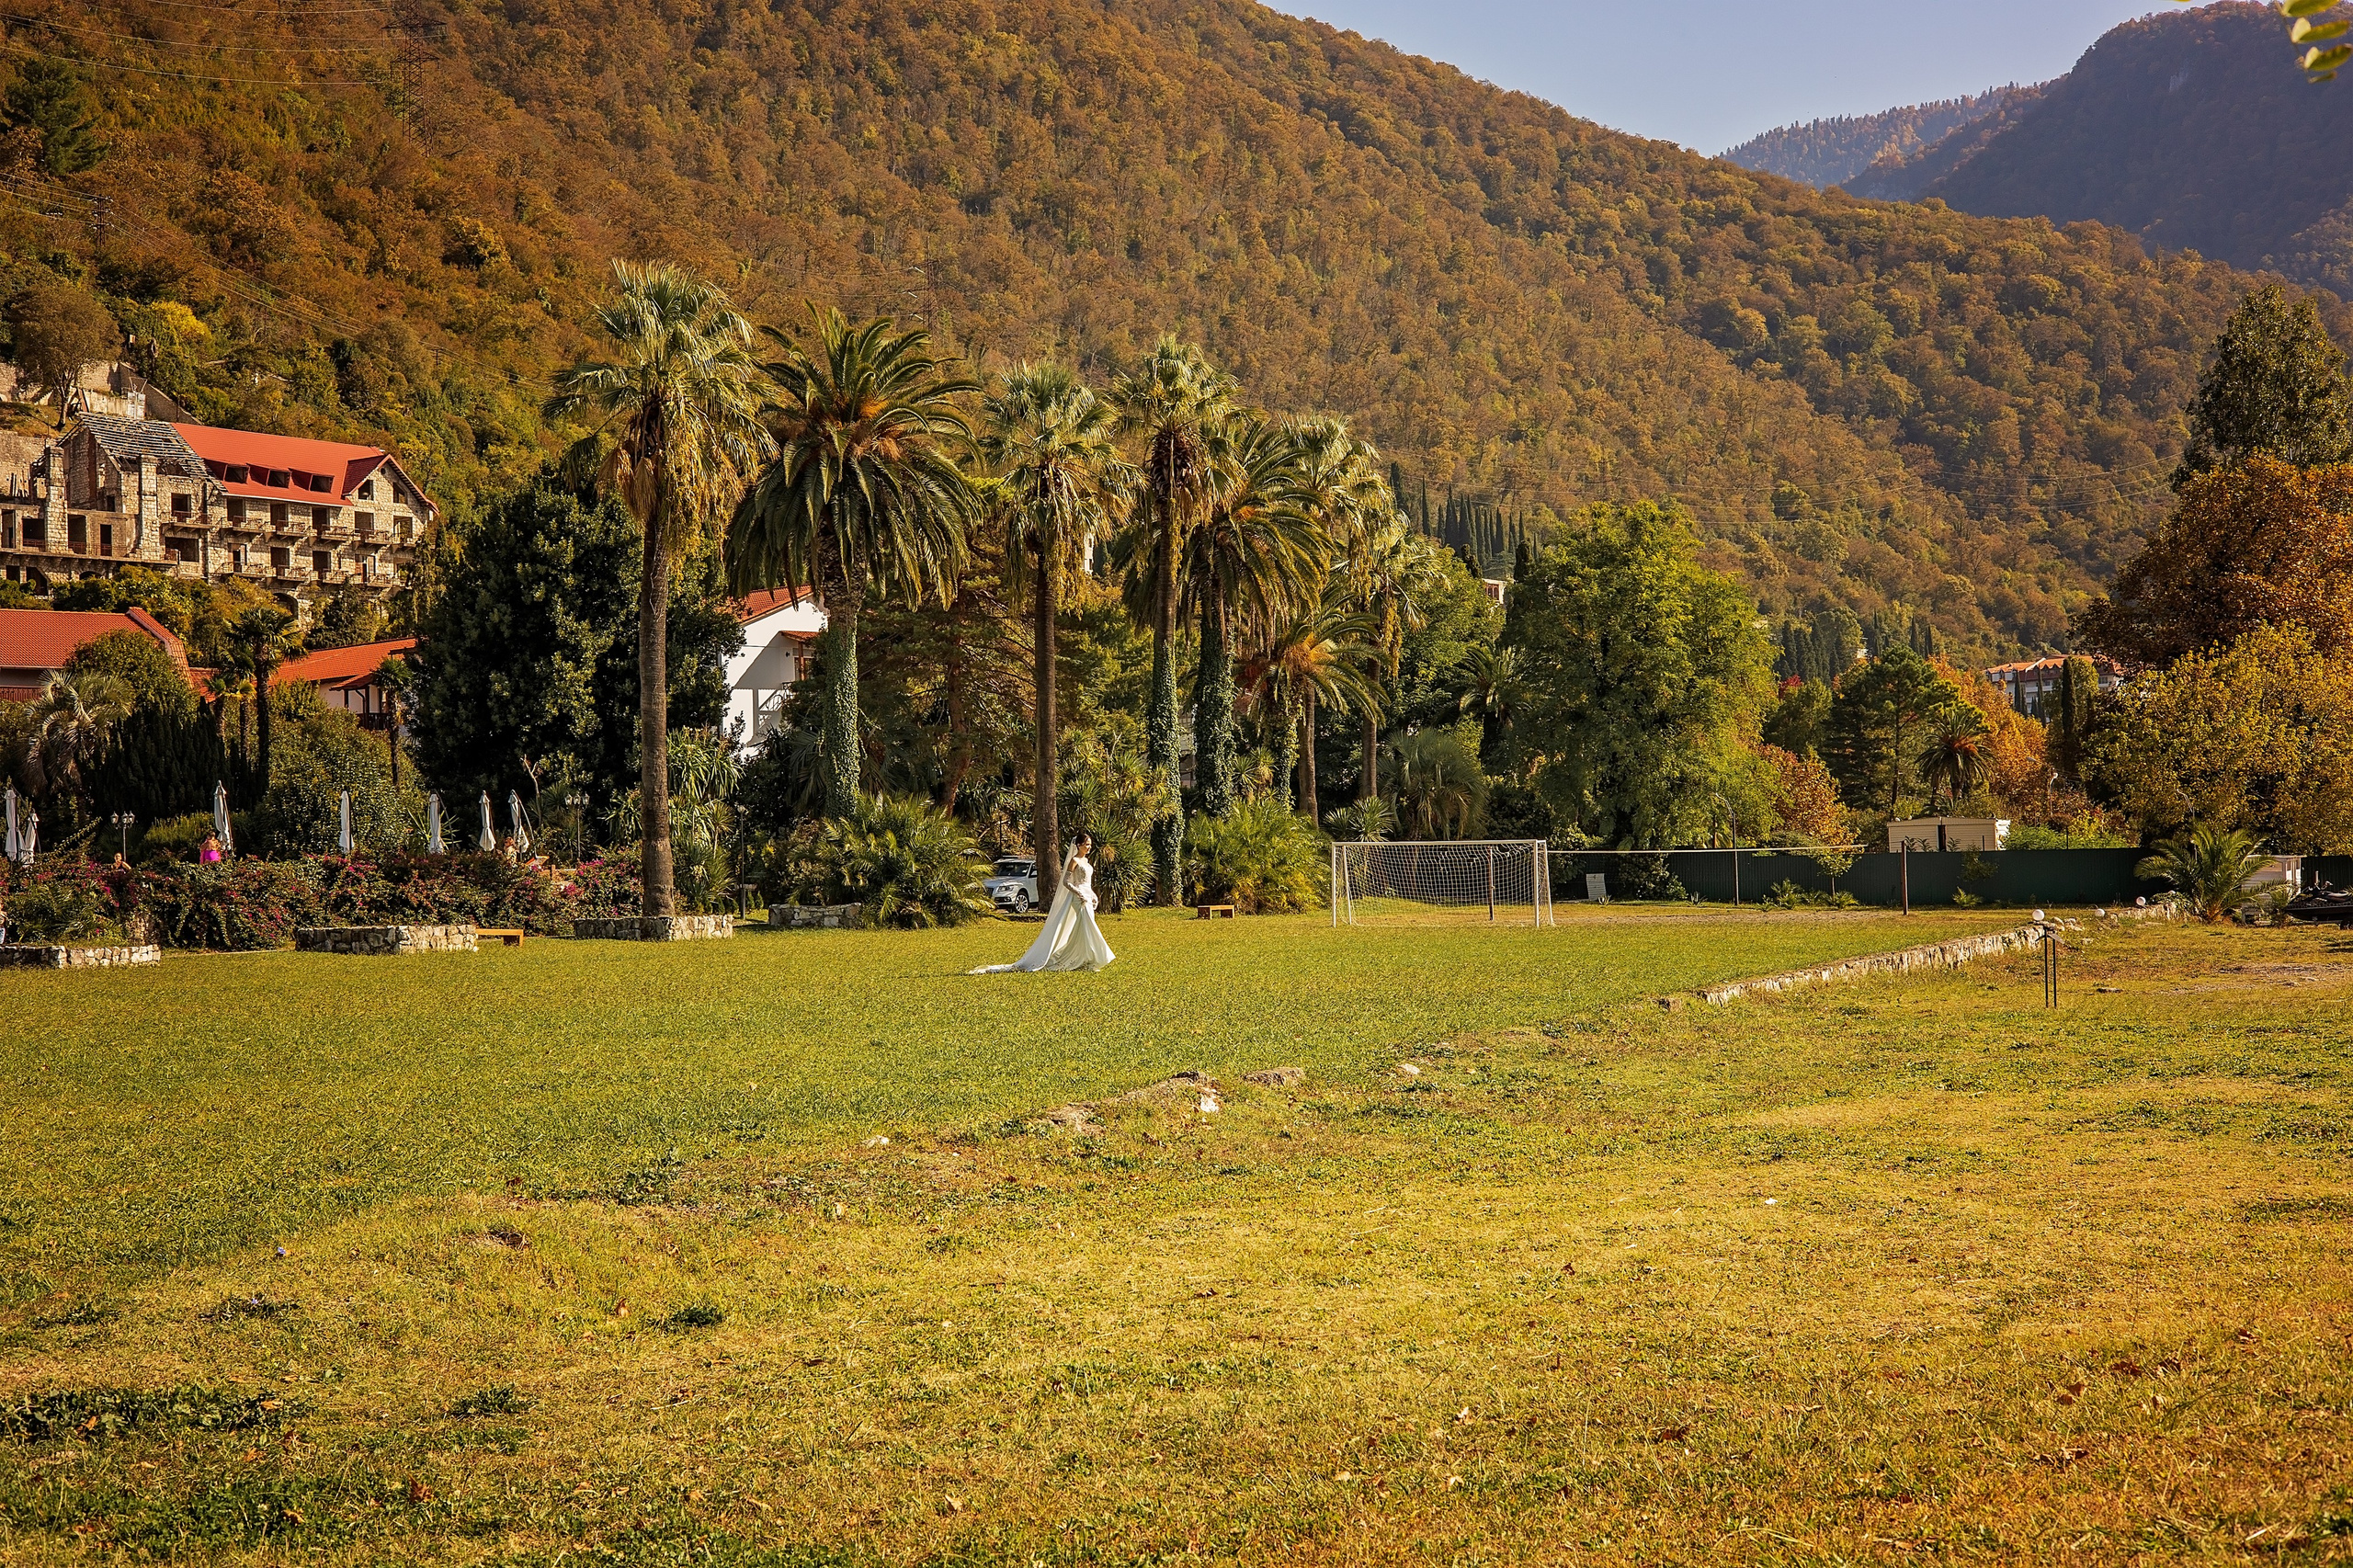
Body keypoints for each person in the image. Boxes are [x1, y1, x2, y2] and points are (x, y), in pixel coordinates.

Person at [970, 833, 1116, 973]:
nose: (1089, 847)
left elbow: (1086, 883)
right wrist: (1080, 893)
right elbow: (1066, 882)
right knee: (1089, 925)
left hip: (1087, 898)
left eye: (1090, 845)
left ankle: (1084, 958)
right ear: (1078, 845)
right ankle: (1101, 956)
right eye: (1086, 845)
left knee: (1082, 927)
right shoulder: (1074, 861)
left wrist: (1092, 895)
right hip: (1079, 899)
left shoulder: (1086, 861)